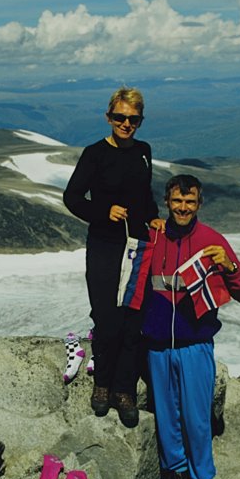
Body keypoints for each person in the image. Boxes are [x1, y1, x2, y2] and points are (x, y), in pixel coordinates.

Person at [142, 174, 240, 479]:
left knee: (196, 417)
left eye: (190, 202)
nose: (183, 207)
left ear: (199, 205)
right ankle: (175, 478)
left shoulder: (212, 240)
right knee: (166, 416)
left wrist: (230, 265)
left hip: (195, 344)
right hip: (159, 345)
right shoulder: (155, 236)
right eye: (177, 201)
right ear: (167, 202)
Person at [63, 87, 164, 428]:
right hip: (105, 246)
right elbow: (72, 197)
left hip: (138, 245)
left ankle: (124, 391)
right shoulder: (94, 154)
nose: (126, 124)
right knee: (106, 318)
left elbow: (144, 195)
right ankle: (102, 384)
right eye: (120, 117)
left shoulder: (144, 152)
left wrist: (153, 215)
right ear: (109, 118)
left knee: (133, 319)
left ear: (140, 121)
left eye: (133, 119)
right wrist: (103, 211)